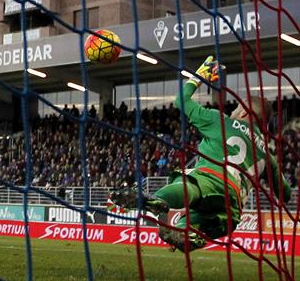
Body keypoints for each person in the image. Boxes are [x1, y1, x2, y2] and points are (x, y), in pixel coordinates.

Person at [110, 56, 293, 252]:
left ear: (244, 113)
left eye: (237, 108)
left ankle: (157, 198)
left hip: (213, 179)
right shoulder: (267, 153)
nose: (234, 110)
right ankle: (185, 234)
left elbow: (181, 101)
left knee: (191, 186)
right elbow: (286, 194)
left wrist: (198, 77)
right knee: (192, 221)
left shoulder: (221, 121)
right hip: (232, 207)